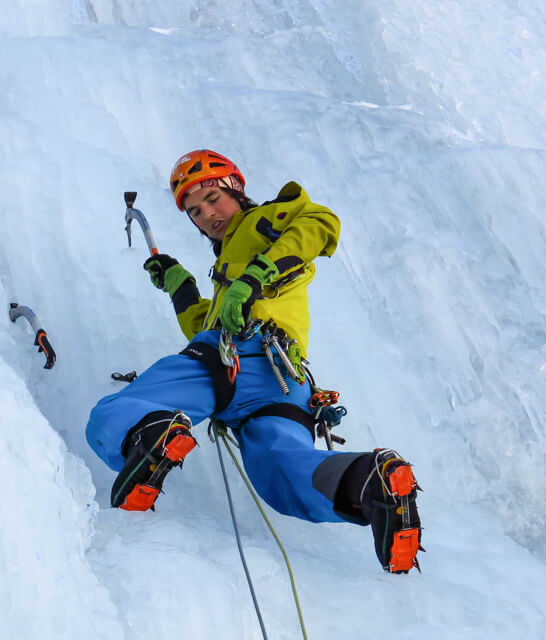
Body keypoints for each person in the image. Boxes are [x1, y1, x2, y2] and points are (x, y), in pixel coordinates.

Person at [86, 149, 423, 573]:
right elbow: (206, 323)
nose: (207, 214)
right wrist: (180, 284)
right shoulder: (230, 267)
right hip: (282, 380)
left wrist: (255, 277)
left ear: (237, 189)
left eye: (213, 197)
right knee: (280, 474)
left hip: (238, 354)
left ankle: (149, 439)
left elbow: (319, 223)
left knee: (112, 415)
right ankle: (372, 481)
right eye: (194, 211)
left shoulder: (261, 222)